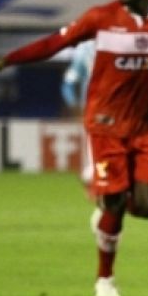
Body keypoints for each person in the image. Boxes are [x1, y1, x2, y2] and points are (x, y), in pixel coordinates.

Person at [0, 0, 148, 296]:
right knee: (115, 201)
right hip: (105, 124)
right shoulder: (100, 17)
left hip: (143, 128)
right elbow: (54, 43)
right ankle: (104, 279)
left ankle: (107, 208)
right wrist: (8, 60)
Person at [61, 40, 97, 191]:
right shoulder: (85, 50)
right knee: (96, 144)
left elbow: (67, 85)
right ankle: (94, 176)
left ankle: (92, 174)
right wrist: (74, 105)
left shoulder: (85, 49)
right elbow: (68, 84)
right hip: (95, 107)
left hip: (110, 107)